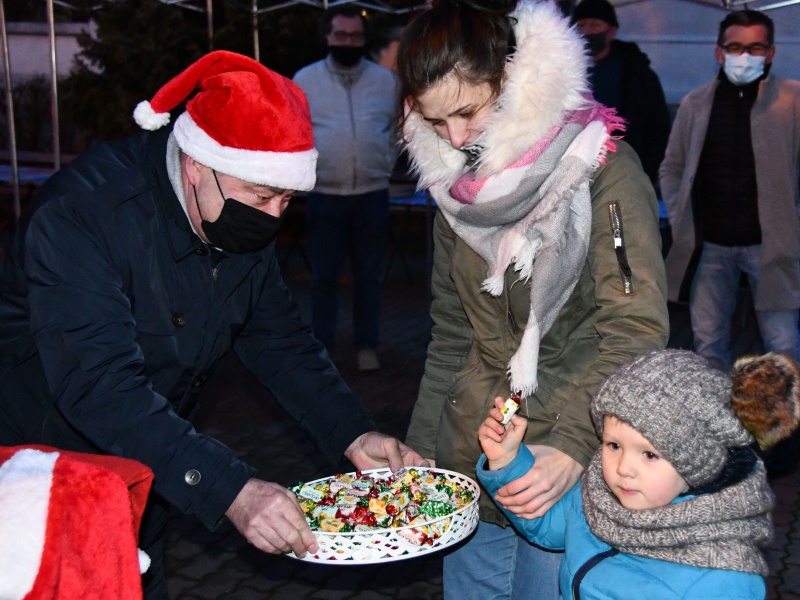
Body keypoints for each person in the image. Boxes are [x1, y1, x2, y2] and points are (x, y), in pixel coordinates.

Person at [0, 50, 425, 599]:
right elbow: (100, 386)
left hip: (151, 458)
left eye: (287, 199)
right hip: (42, 465)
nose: (274, 217)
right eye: (262, 195)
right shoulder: (84, 215)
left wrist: (352, 431)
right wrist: (233, 490)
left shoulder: (232, 213)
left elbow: (280, 341)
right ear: (198, 164)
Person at [396, 1, 669, 597]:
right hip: (474, 458)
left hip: (561, 463)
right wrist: (420, 452)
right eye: (438, 122)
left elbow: (636, 330)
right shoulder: (454, 190)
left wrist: (572, 446)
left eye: (468, 111)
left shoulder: (602, 169)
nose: (457, 138)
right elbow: (452, 336)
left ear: (515, 78)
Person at [659, 9, 800, 478]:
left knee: (782, 345)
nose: (745, 56)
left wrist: (795, 231)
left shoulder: (798, 101)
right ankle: (722, 439)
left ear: (771, 53)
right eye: (736, 47)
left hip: (769, 249)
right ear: (719, 52)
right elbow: (671, 168)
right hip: (710, 249)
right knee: (708, 346)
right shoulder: (696, 104)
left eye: (756, 48)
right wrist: (681, 220)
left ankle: (787, 439)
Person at [478, 349, 800, 599]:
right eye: (613, 445)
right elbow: (548, 525)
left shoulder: (721, 578)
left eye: (649, 454)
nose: (623, 468)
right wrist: (507, 462)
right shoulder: (599, 495)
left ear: (696, 462)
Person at [292, 5, 400, 371]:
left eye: (355, 36)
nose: (348, 42)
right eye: (341, 35)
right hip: (325, 194)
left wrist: (383, 159)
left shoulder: (386, 81)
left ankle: (366, 344)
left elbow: (398, 130)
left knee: (369, 276)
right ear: (328, 36)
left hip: (371, 193)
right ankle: (322, 346)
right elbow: (295, 131)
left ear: (363, 38)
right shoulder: (305, 81)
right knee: (323, 277)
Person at [571, 0, 671, 191]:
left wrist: (643, 172)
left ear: (611, 32)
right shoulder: (560, 71)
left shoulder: (637, 74)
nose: (588, 32)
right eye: (581, 25)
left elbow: (657, 128)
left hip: (622, 174)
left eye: (596, 25)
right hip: (572, 175)